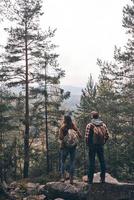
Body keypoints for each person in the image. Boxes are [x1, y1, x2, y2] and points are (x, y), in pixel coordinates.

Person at [85, 111, 109, 184]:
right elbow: (107, 136)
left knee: (91, 162)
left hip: (92, 146)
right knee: (102, 161)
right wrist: (103, 142)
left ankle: (90, 180)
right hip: (100, 145)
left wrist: (88, 144)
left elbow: (87, 137)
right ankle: (103, 179)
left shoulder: (90, 125)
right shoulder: (103, 125)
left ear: (92, 116)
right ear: (98, 116)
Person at [59, 115, 82, 184]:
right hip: (73, 147)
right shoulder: (73, 126)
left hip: (64, 147)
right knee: (72, 162)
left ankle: (63, 177)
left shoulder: (62, 128)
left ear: (64, 120)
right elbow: (80, 136)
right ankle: (71, 179)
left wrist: (64, 137)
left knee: (63, 162)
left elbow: (60, 138)